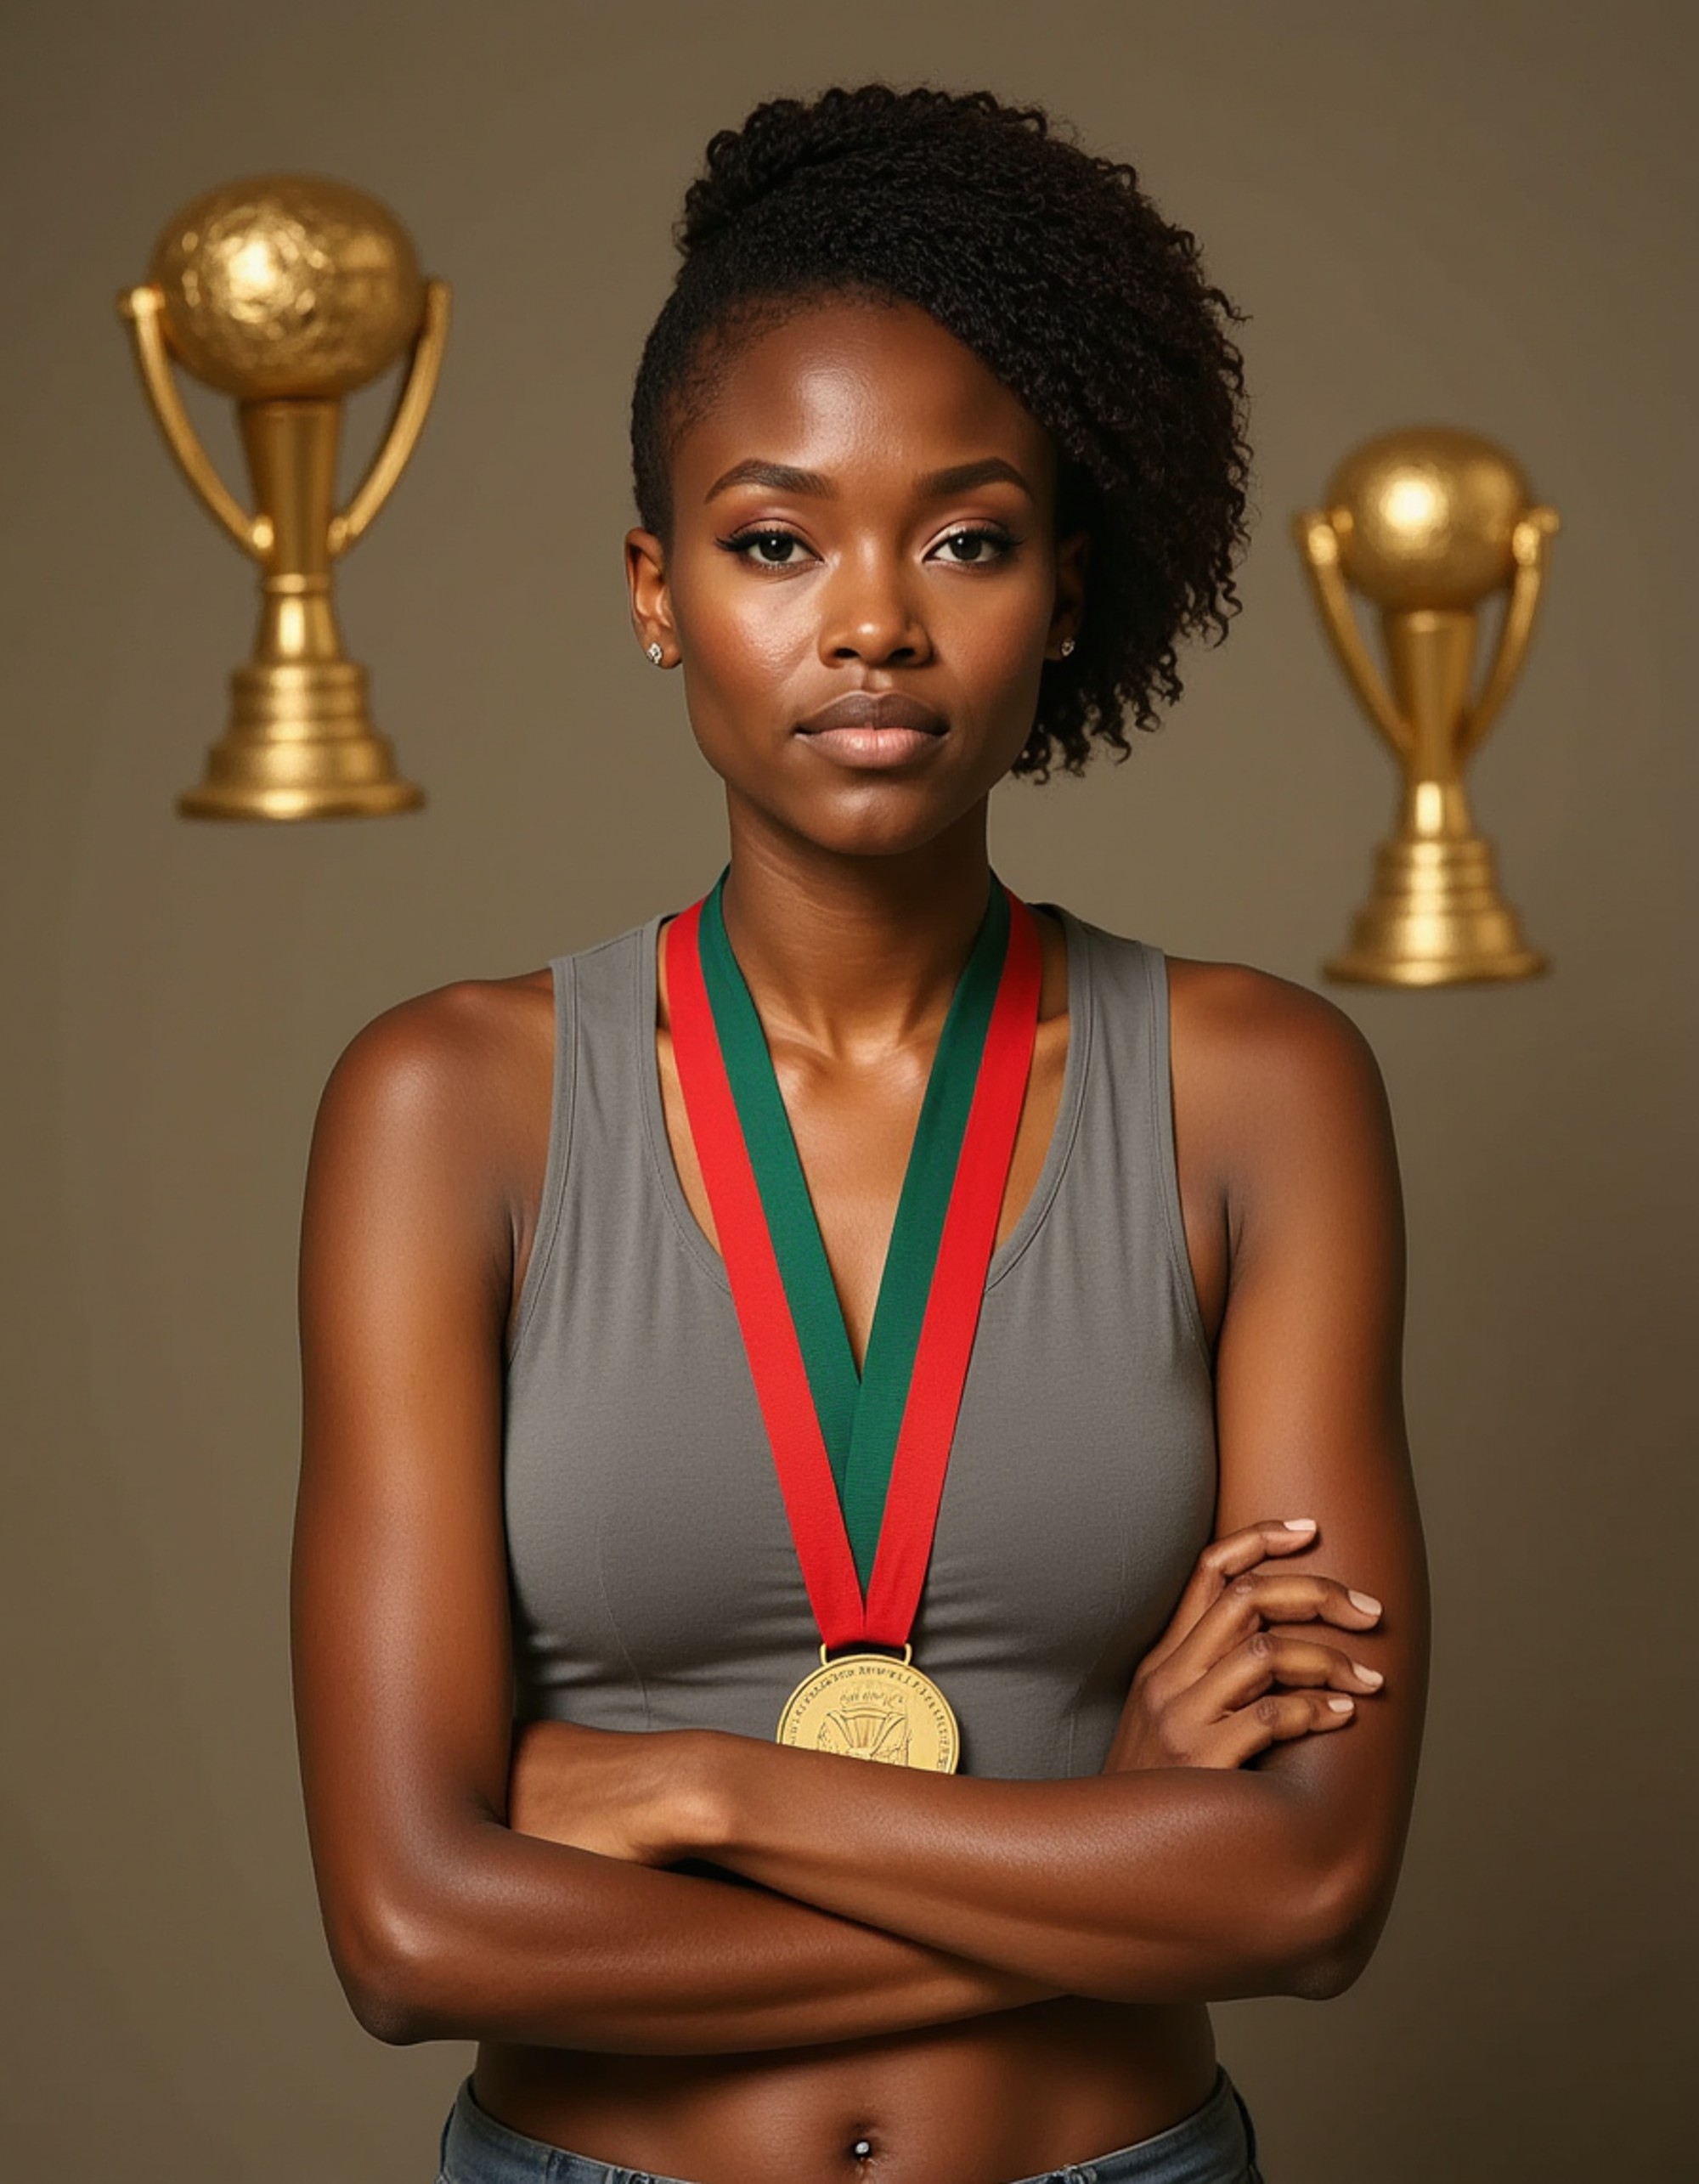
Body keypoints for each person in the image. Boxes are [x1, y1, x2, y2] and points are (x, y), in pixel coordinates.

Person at [291, 82, 1427, 2184]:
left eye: (968, 536)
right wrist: (1095, 1849)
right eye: (775, 538)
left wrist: (720, 1796)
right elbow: (409, 1924)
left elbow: (1310, 1895)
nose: (876, 618)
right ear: (657, 590)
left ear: (1066, 594)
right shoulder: (446, 1108)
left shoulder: (1258, 1089)